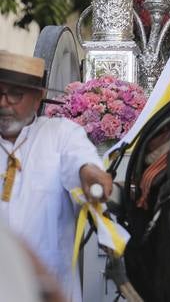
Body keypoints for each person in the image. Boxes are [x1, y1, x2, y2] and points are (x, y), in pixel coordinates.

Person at [0, 51, 112, 302]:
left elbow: (82, 162)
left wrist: (91, 174)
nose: (3, 103)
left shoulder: (60, 134)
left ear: (39, 96)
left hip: (49, 290)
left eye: (15, 94)